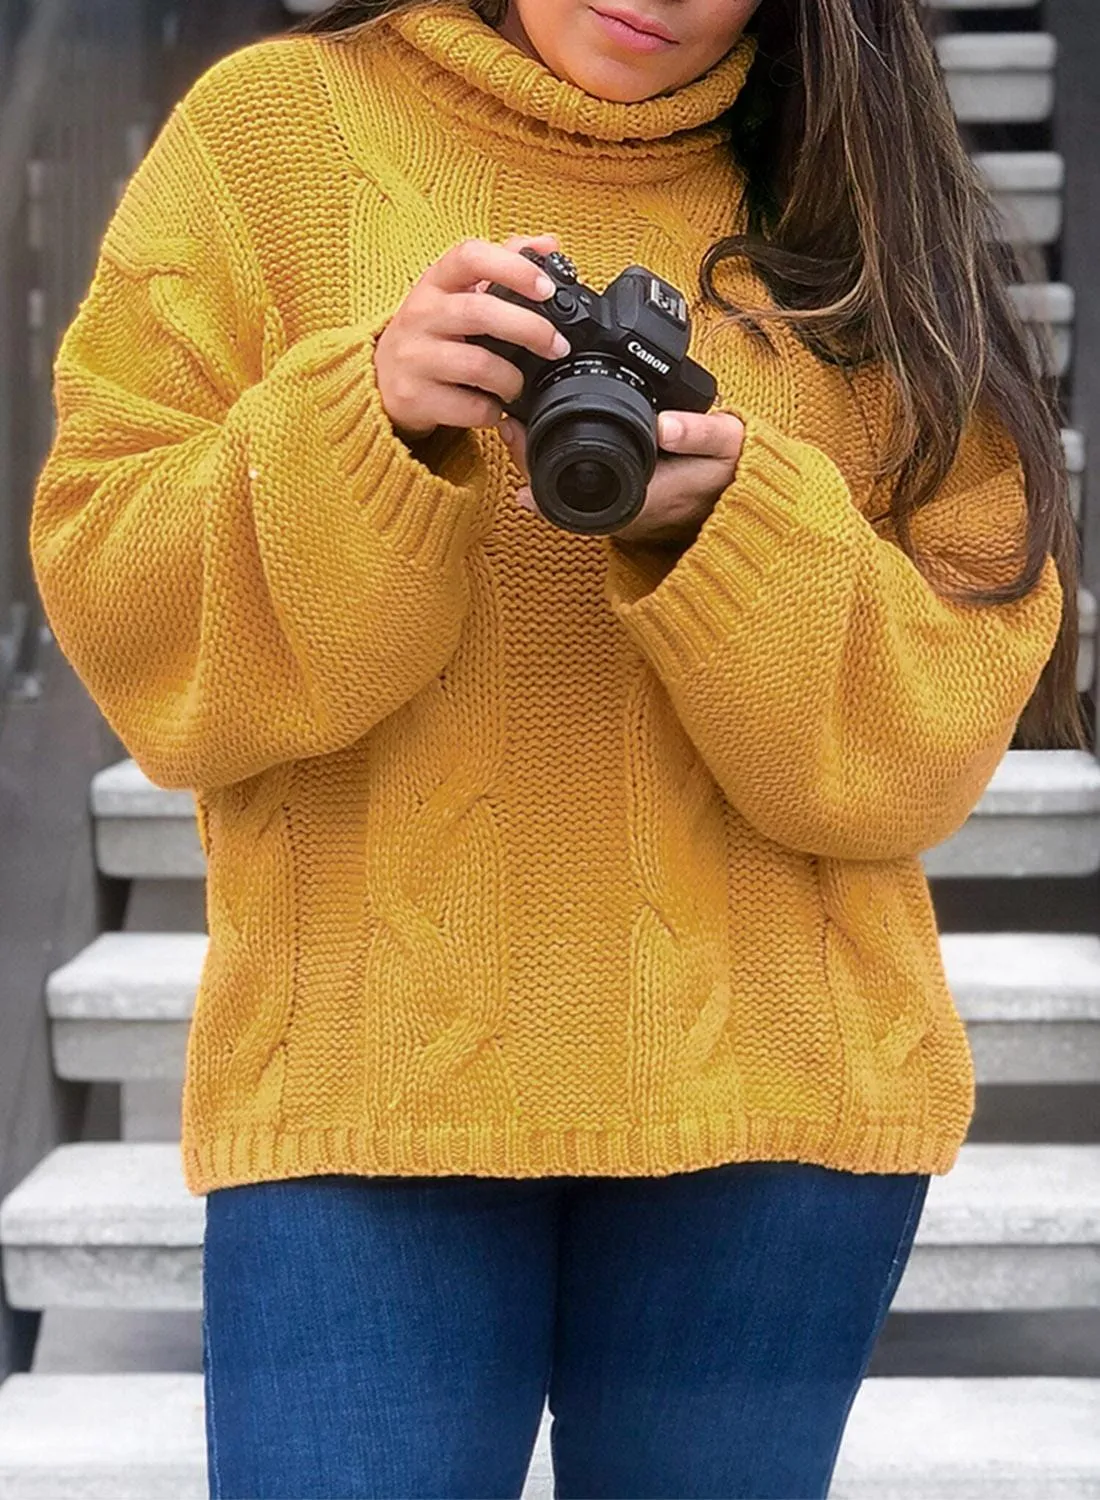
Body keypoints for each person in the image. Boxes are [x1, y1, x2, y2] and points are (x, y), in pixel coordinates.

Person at [27, 0, 1084, 1495]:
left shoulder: (859, 195)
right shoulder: (271, 134)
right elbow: (131, 624)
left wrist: (739, 529)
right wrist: (366, 422)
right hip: (362, 1089)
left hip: (775, 1111)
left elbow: (929, 740)